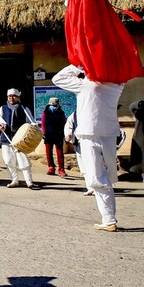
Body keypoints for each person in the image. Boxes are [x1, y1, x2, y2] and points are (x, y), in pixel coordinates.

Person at [53, 65, 124, 231]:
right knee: (106, 176)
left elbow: (58, 78)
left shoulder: (85, 85)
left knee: (96, 178)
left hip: (89, 135)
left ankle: (109, 220)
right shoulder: (116, 85)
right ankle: (109, 218)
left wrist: (79, 64)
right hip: (110, 135)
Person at [0, 88, 37, 189]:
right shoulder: (2, 109)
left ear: (18, 97)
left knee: (23, 161)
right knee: (8, 160)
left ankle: (29, 181)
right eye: (9, 96)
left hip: (20, 139)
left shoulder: (24, 108)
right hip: (6, 138)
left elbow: (31, 121)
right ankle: (14, 180)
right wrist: (2, 126)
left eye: (14, 96)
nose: (11, 98)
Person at [64, 110, 95, 196]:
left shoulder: (91, 112)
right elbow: (68, 125)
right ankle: (90, 187)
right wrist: (68, 134)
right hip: (78, 144)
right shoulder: (74, 114)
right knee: (83, 167)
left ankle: (96, 187)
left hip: (90, 143)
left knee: (92, 166)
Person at [41, 97, 67, 177]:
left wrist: (64, 134)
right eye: (53, 105)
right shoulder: (45, 113)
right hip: (48, 134)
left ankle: (61, 169)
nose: (54, 107)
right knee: (49, 152)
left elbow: (64, 123)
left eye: (55, 105)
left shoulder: (61, 113)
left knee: (60, 153)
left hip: (58, 134)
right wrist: (44, 132)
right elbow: (43, 123)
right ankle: (51, 167)